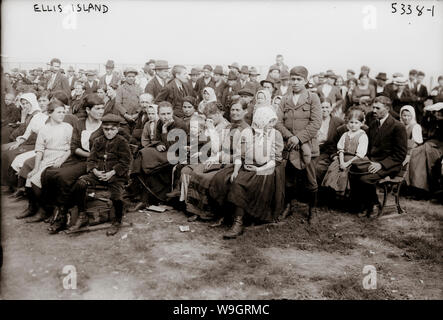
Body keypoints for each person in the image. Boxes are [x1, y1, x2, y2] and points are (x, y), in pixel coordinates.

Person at [209, 106, 284, 239]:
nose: (272, 125)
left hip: (266, 168)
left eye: (273, 122)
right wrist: (236, 170)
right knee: (226, 178)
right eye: (269, 122)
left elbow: (276, 159)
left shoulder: (275, 134)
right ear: (261, 120)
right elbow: (239, 155)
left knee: (239, 184)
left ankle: (239, 222)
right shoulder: (248, 133)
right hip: (246, 165)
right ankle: (226, 215)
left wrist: (259, 169)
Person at [41, 95, 104, 232]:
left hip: (94, 163)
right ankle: (55, 209)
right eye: (97, 108)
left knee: (64, 177)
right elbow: (74, 147)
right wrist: (86, 153)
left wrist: (91, 156)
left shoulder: (105, 125)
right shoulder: (80, 123)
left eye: (102, 108)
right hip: (79, 158)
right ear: (88, 110)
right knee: (49, 172)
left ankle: (62, 216)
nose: (101, 111)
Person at [71, 113, 132, 236]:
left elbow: (125, 162)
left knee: (117, 196)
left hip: (116, 176)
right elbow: (91, 159)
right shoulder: (98, 141)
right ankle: (82, 214)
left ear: (117, 129)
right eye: (106, 129)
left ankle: (117, 221)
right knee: (80, 184)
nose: (109, 132)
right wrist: (94, 171)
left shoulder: (122, 142)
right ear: (102, 128)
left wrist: (112, 172)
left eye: (112, 129)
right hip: (98, 174)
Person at [275, 66, 322, 223]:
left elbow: (316, 123)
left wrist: (299, 138)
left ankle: (312, 210)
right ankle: (288, 207)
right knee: (288, 179)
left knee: (311, 180)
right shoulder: (284, 99)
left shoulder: (312, 98)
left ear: (306, 81)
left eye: (298, 79)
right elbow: (278, 122)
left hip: (307, 147)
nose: (294, 82)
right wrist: (290, 137)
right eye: (292, 79)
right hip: (289, 146)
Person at [349, 96, 407, 217]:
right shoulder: (374, 124)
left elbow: (400, 155)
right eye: (373, 107)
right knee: (353, 171)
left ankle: (374, 204)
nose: (374, 110)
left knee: (365, 179)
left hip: (390, 165)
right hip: (373, 161)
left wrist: (381, 164)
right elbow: (369, 147)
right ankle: (361, 204)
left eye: (377, 108)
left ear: (387, 108)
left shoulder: (398, 126)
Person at [176, 102, 232, 221]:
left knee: (194, 172)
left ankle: (200, 209)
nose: (208, 120)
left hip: (219, 159)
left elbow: (218, 149)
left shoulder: (226, 127)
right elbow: (206, 143)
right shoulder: (213, 125)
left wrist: (211, 130)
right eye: (207, 118)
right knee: (185, 170)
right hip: (207, 155)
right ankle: (188, 205)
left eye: (210, 118)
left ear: (217, 114)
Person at [23, 100, 73, 224]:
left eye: (63, 112)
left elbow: (71, 148)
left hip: (63, 156)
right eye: (59, 112)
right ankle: (33, 208)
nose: (62, 115)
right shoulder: (44, 129)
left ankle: (45, 210)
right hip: (48, 156)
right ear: (50, 113)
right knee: (30, 178)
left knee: (39, 180)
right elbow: (39, 150)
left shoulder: (67, 127)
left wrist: (61, 160)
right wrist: (36, 167)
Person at [322, 108, 368, 196]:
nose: (353, 125)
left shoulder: (362, 136)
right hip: (343, 158)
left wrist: (347, 164)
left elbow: (360, 155)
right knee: (333, 170)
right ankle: (333, 194)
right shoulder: (345, 134)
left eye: (356, 123)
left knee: (344, 175)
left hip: (354, 160)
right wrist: (342, 161)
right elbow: (341, 150)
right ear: (347, 123)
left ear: (361, 123)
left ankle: (345, 195)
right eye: (351, 122)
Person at [314, 98, 345, 184]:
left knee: (318, 168)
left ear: (331, 108)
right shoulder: (314, 120)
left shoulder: (338, 122)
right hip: (314, 150)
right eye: (322, 107)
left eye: (327, 107)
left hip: (330, 152)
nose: (325, 110)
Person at [115, 67, 143, 135]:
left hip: (136, 119)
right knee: (125, 136)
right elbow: (118, 104)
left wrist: (137, 114)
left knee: (135, 136)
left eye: (133, 76)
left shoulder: (139, 88)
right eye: (129, 76)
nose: (131, 78)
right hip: (124, 120)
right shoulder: (120, 88)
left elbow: (142, 103)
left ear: (135, 77)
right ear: (125, 77)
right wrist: (126, 115)